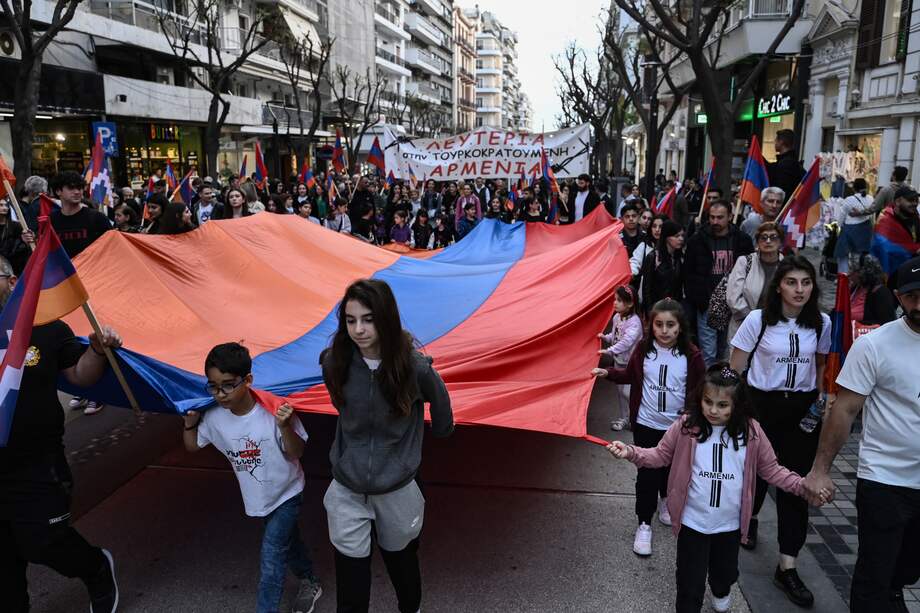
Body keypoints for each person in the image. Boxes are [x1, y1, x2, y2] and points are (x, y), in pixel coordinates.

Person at [606, 364, 825, 613]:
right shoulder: (686, 426)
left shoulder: (751, 432)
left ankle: (721, 593)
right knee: (689, 585)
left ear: (738, 405)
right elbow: (659, 455)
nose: (712, 410)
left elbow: (772, 470)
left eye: (722, 405)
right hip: (692, 523)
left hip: (729, 526)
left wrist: (802, 486)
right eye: (707, 401)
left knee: (724, 575)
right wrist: (631, 452)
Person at [0, 254, 123, 613]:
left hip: (37, 464)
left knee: (43, 542)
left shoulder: (46, 327)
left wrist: (98, 350)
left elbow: (80, 376)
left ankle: (96, 568)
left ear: (11, 282)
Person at [320, 279, 452, 613]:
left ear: (386, 319)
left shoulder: (415, 367)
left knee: (402, 567)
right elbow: (342, 405)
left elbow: (443, 412)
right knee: (351, 587)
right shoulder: (334, 362)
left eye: (368, 319)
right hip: (346, 489)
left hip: (398, 489)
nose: (359, 329)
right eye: (351, 321)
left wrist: (433, 435)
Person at [802, 256, 920, 611]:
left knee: (908, 566)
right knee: (874, 572)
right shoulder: (875, 346)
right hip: (885, 479)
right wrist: (821, 469)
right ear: (899, 297)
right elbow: (845, 410)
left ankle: (894, 590)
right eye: (913, 295)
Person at [182, 343, 322, 613]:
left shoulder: (273, 411)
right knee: (287, 541)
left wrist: (284, 427)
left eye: (228, 385)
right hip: (259, 499)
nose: (220, 394)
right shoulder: (213, 418)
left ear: (248, 381)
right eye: (213, 386)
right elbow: (192, 444)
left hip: (288, 493)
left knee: (272, 558)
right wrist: (189, 423)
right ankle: (309, 580)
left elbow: (297, 451)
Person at [728, 256, 831, 607]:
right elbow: (735, 369)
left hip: (801, 409)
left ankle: (787, 565)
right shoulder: (757, 320)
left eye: (806, 282)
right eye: (792, 282)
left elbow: (820, 366)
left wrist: (820, 401)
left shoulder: (822, 323)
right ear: (779, 286)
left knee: (796, 486)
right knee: (755, 473)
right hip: (761, 404)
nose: (799, 290)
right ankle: (750, 517)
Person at [591, 299, 706, 557]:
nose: (664, 331)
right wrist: (608, 373)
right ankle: (644, 523)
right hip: (646, 423)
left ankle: (666, 502)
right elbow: (630, 375)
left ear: (680, 327)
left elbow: (701, 390)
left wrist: (695, 417)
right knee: (646, 474)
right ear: (651, 326)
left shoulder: (692, 355)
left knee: (670, 470)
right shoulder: (644, 349)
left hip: (677, 428)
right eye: (659, 325)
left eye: (670, 325)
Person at [685, 201, 755, 365]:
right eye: (712, 217)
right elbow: (688, 272)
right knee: (708, 352)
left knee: (729, 347)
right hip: (707, 303)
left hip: (734, 303)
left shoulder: (742, 240)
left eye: (720, 217)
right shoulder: (697, 240)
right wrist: (698, 297)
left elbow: (751, 269)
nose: (715, 221)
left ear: (730, 216)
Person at [726, 222, 784, 341]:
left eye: (773, 237)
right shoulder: (745, 262)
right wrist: (753, 321)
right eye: (763, 237)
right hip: (744, 327)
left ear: (780, 242)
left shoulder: (787, 265)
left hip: (776, 329)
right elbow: (733, 297)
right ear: (757, 242)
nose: (768, 241)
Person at [597, 286, 643, 431]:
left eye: (619, 300)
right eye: (615, 300)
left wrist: (609, 351)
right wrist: (605, 337)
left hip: (631, 363)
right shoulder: (617, 317)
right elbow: (615, 335)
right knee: (620, 393)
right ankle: (624, 418)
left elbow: (626, 342)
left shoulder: (634, 323)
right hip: (619, 361)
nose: (615, 303)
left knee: (627, 392)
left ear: (630, 304)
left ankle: (638, 416)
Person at [48, 171, 111, 258]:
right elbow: (45, 250)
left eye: (79, 188)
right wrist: (30, 240)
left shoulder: (97, 218)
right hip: (63, 271)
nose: (77, 192)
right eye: (71, 188)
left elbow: (111, 247)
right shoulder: (51, 221)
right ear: (58, 191)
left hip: (92, 269)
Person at [872, 186, 920, 283]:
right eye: (910, 200)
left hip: (912, 273)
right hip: (890, 275)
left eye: (916, 200)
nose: (915, 203)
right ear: (898, 201)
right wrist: (915, 250)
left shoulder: (915, 218)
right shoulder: (885, 220)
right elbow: (884, 247)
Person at [639, 221, 686, 312]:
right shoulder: (653, 257)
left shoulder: (679, 258)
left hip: (673, 310)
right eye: (676, 236)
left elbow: (679, 288)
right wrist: (650, 312)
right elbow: (646, 288)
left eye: (682, 236)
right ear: (666, 237)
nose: (681, 239)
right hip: (656, 310)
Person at [835, 178, 875, 274]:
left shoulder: (849, 200)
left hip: (849, 230)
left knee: (842, 254)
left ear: (854, 188)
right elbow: (872, 215)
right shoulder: (870, 198)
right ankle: (859, 276)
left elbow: (841, 217)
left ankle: (843, 276)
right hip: (865, 229)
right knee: (860, 255)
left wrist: (838, 227)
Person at [848, 254, 897, 325]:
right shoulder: (855, 287)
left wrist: (855, 324)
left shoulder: (881, 293)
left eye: (854, 271)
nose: (849, 274)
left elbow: (886, 323)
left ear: (864, 273)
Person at [767, 129, 805, 200]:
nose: (774, 142)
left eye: (776, 140)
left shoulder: (786, 164)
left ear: (781, 142)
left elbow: (781, 190)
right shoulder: (792, 162)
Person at [0, 197, 30, 275]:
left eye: (6, 205)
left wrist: (26, 241)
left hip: (15, 264)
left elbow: (25, 245)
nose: (4, 208)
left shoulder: (16, 226)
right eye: (1, 205)